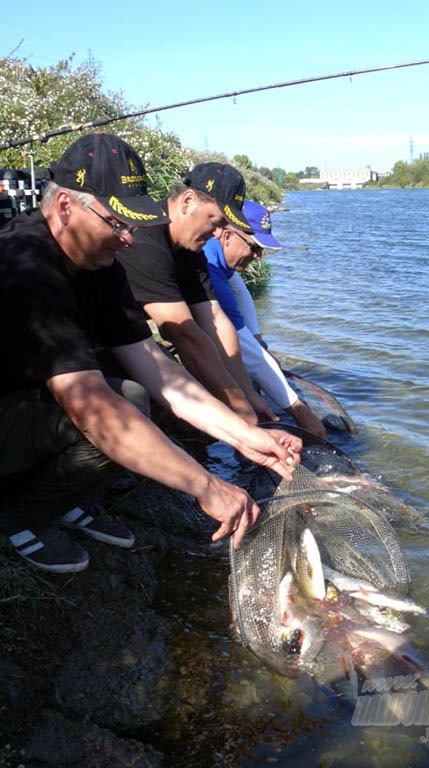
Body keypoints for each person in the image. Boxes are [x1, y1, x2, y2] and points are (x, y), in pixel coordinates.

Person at [0, 133, 301, 575]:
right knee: (118, 409)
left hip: (26, 396)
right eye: (116, 223)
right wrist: (206, 486)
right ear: (65, 206)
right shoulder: (25, 265)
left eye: (132, 225)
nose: (127, 238)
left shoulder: (98, 262)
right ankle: (18, 517)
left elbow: (155, 365)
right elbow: (94, 411)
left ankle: (57, 500)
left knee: (138, 395)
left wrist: (243, 434)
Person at [118, 164, 276, 427]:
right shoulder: (146, 239)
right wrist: (240, 411)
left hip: (130, 341)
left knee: (208, 402)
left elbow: (214, 319)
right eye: (215, 222)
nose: (217, 234)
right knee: (160, 403)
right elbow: (185, 334)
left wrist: (247, 394)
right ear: (188, 201)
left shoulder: (191, 250)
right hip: (89, 345)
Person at [204, 201, 327, 440]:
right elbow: (247, 351)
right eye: (253, 248)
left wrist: (259, 338)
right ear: (228, 236)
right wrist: (301, 411)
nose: (258, 257)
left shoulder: (219, 254)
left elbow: (240, 290)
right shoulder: (209, 268)